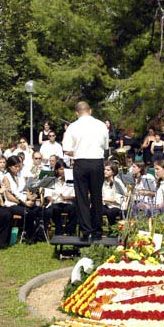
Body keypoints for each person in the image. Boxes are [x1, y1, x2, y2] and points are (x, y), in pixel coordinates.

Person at [62, 101, 108, 241]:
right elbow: (105, 146)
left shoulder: (72, 127)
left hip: (81, 162)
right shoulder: (101, 125)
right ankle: (97, 230)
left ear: (77, 113)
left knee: (82, 198)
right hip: (97, 162)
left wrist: (78, 151)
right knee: (96, 196)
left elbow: (66, 149)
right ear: (90, 110)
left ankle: (86, 230)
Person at [2, 155, 41, 242]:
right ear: (9, 166)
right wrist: (23, 203)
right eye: (16, 167)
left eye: (19, 166)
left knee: (39, 210)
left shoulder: (20, 176)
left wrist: (31, 197)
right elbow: (9, 196)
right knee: (28, 212)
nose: (18, 169)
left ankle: (36, 234)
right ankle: (28, 236)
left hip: (23, 201)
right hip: (12, 204)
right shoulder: (6, 177)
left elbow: (26, 190)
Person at [44, 161, 77, 235]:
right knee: (54, 210)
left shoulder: (71, 181)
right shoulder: (51, 180)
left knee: (75, 209)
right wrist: (51, 199)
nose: (63, 171)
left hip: (67, 203)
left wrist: (66, 198)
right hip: (56, 203)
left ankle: (70, 231)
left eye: (64, 169)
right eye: (61, 169)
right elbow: (47, 194)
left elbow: (75, 195)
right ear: (56, 170)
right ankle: (58, 229)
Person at [102, 161, 125, 226]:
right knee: (96, 209)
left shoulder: (117, 182)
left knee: (110, 212)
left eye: (108, 170)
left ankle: (113, 229)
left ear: (113, 172)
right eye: (104, 169)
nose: (105, 171)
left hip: (116, 206)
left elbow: (118, 200)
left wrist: (104, 199)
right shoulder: (104, 181)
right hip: (107, 205)